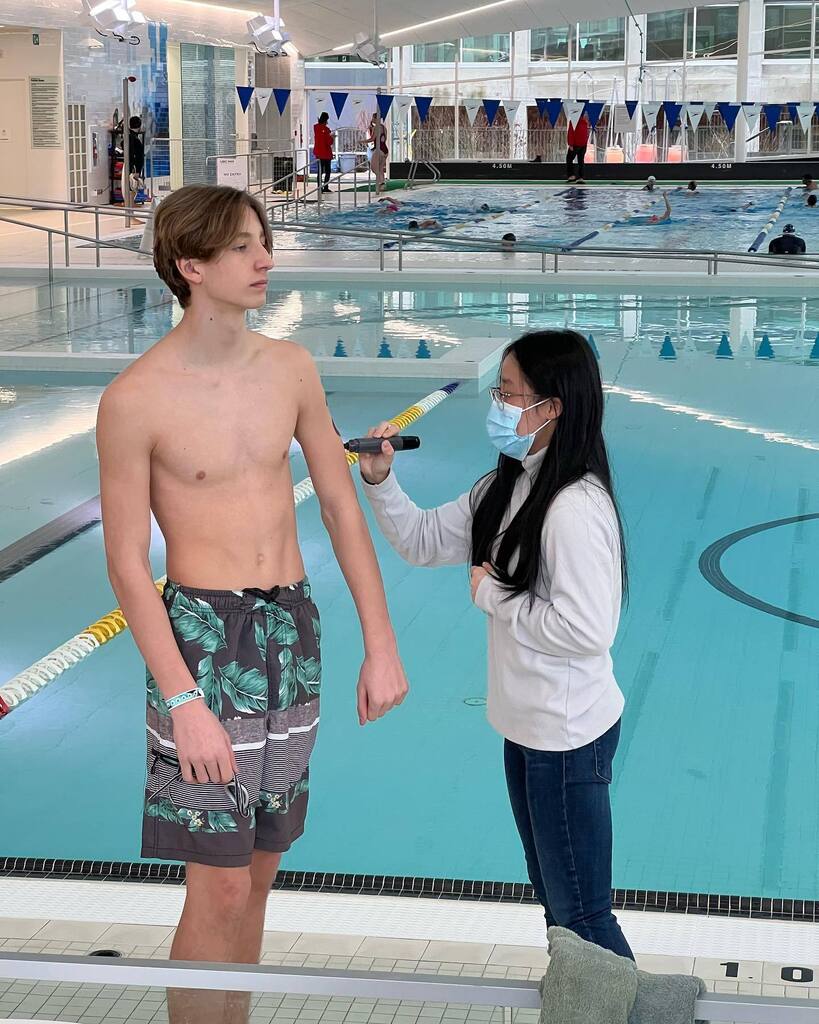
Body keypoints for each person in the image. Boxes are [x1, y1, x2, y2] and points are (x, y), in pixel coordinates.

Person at [96, 184, 409, 1023]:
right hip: (204, 643)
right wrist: (182, 701)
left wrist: (381, 644)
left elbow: (339, 506)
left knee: (262, 872)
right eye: (241, 246)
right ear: (190, 265)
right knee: (221, 888)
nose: (264, 258)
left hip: (291, 631)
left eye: (261, 240)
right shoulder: (135, 400)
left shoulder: (290, 369)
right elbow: (125, 565)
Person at [358, 330, 634, 960]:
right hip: (526, 730)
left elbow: (588, 631)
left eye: (508, 393)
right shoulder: (505, 486)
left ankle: (618, 1000)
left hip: (567, 737)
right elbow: (423, 541)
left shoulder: (573, 507)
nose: (498, 405)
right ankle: (579, 996)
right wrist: (380, 480)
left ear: (551, 407)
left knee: (583, 914)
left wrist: (494, 596)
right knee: (559, 905)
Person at [566, 112, 591, 184]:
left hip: (575, 144)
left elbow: (571, 133)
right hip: (583, 145)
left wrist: (570, 144)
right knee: (581, 161)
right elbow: (586, 134)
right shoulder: (584, 122)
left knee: (569, 159)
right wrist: (585, 143)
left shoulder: (573, 122)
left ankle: (571, 176)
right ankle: (581, 177)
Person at [313, 111, 335, 193]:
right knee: (327, 171)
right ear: (326, 120)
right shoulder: (325, 130)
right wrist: (332, 137)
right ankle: (325, 187)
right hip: (326, 153)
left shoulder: (316, 128)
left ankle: (319, 187)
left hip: (318, 153)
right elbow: (329, 142)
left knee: (320, 171)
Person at [368, 111, 389, 194]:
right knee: (380, 169)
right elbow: (384, 139)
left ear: (376, 119)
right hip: (385, 150)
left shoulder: (376, 128)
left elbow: (372, 139)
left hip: (378, 150)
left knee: (374, 168)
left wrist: (361, 141)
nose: (372, 119)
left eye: (373, 118)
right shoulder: (384, 128)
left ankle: (381, 182)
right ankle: (382, 184)